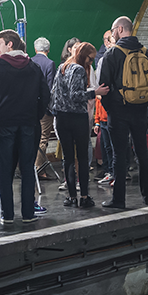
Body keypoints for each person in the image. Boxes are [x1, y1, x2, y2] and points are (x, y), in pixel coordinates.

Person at [0, 29, 50, 224]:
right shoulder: (33, 67)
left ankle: (8, 214)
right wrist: (36, 115)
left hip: (5, 124)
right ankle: (28, 213)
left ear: (9, 44)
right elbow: (45, 95)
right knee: (27, 167)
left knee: (6, 169)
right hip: (29, 123)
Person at [99, 16, 148, 208]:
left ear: (120, 29)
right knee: (142, 153)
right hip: (141, 111)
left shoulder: (112, 54)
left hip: (119, 111)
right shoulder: (147, 54)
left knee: (119, 155)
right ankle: (147, 196)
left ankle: (119, 199)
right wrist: (142, 103)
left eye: (113, 30)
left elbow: (105, 87)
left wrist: (113, 108)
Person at [50, 42, 109, 208]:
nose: (90, 62)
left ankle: (71, 197)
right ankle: (84, 196)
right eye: (90, 59)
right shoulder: (78, 69)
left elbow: (54, 93)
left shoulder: (62, 67)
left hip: (61, 118)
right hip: (77, 118)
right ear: (84, 56)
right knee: (82, 158)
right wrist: (95, 92)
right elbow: (75, 95)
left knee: (68, 159)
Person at [31, 37, 56, 178]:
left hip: (30, 108)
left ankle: (32, 166)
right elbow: (50, 87)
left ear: (35, 49)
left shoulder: (30, 61)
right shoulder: (50, 63)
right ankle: (39, 169)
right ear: (48, 49)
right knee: (43, 138)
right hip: (44, 109)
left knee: (33, 137)